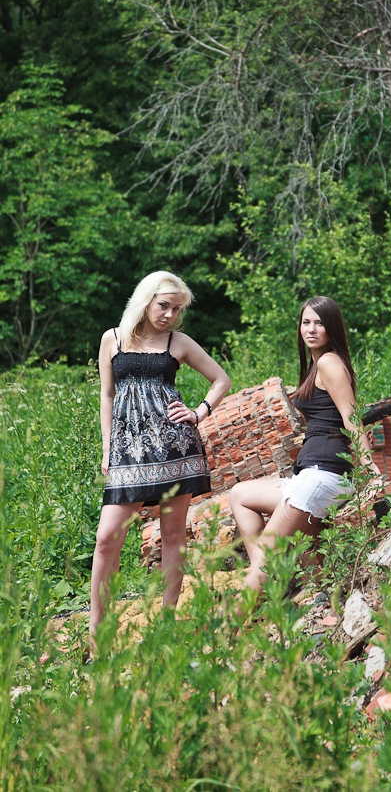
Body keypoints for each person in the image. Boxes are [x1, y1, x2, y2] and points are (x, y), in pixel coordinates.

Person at [89, 271, 231, 648]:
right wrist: (107, 447)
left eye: (177, 309)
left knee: (172, 535)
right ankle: (98, 634)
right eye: (164, 305)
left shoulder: (177, 342)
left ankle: (166, 623)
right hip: (127, 451)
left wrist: (198, 412)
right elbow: (107, 395)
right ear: (146, 300)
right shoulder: (113, 338)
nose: (170, 315)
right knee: (106, 538)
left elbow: (221, 379)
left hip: (175, 450)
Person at [229, 296, 381, 595]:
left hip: (323, 475)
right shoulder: (317, 364)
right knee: (240, 495)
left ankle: (239, 608)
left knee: (266, 557)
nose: (311, 329)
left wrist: (371, 468)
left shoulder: (328, 362)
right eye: (306, 322)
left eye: (319, 323)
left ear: (332, 328)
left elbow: (352, 417)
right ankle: (271, 581)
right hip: (311, 475)